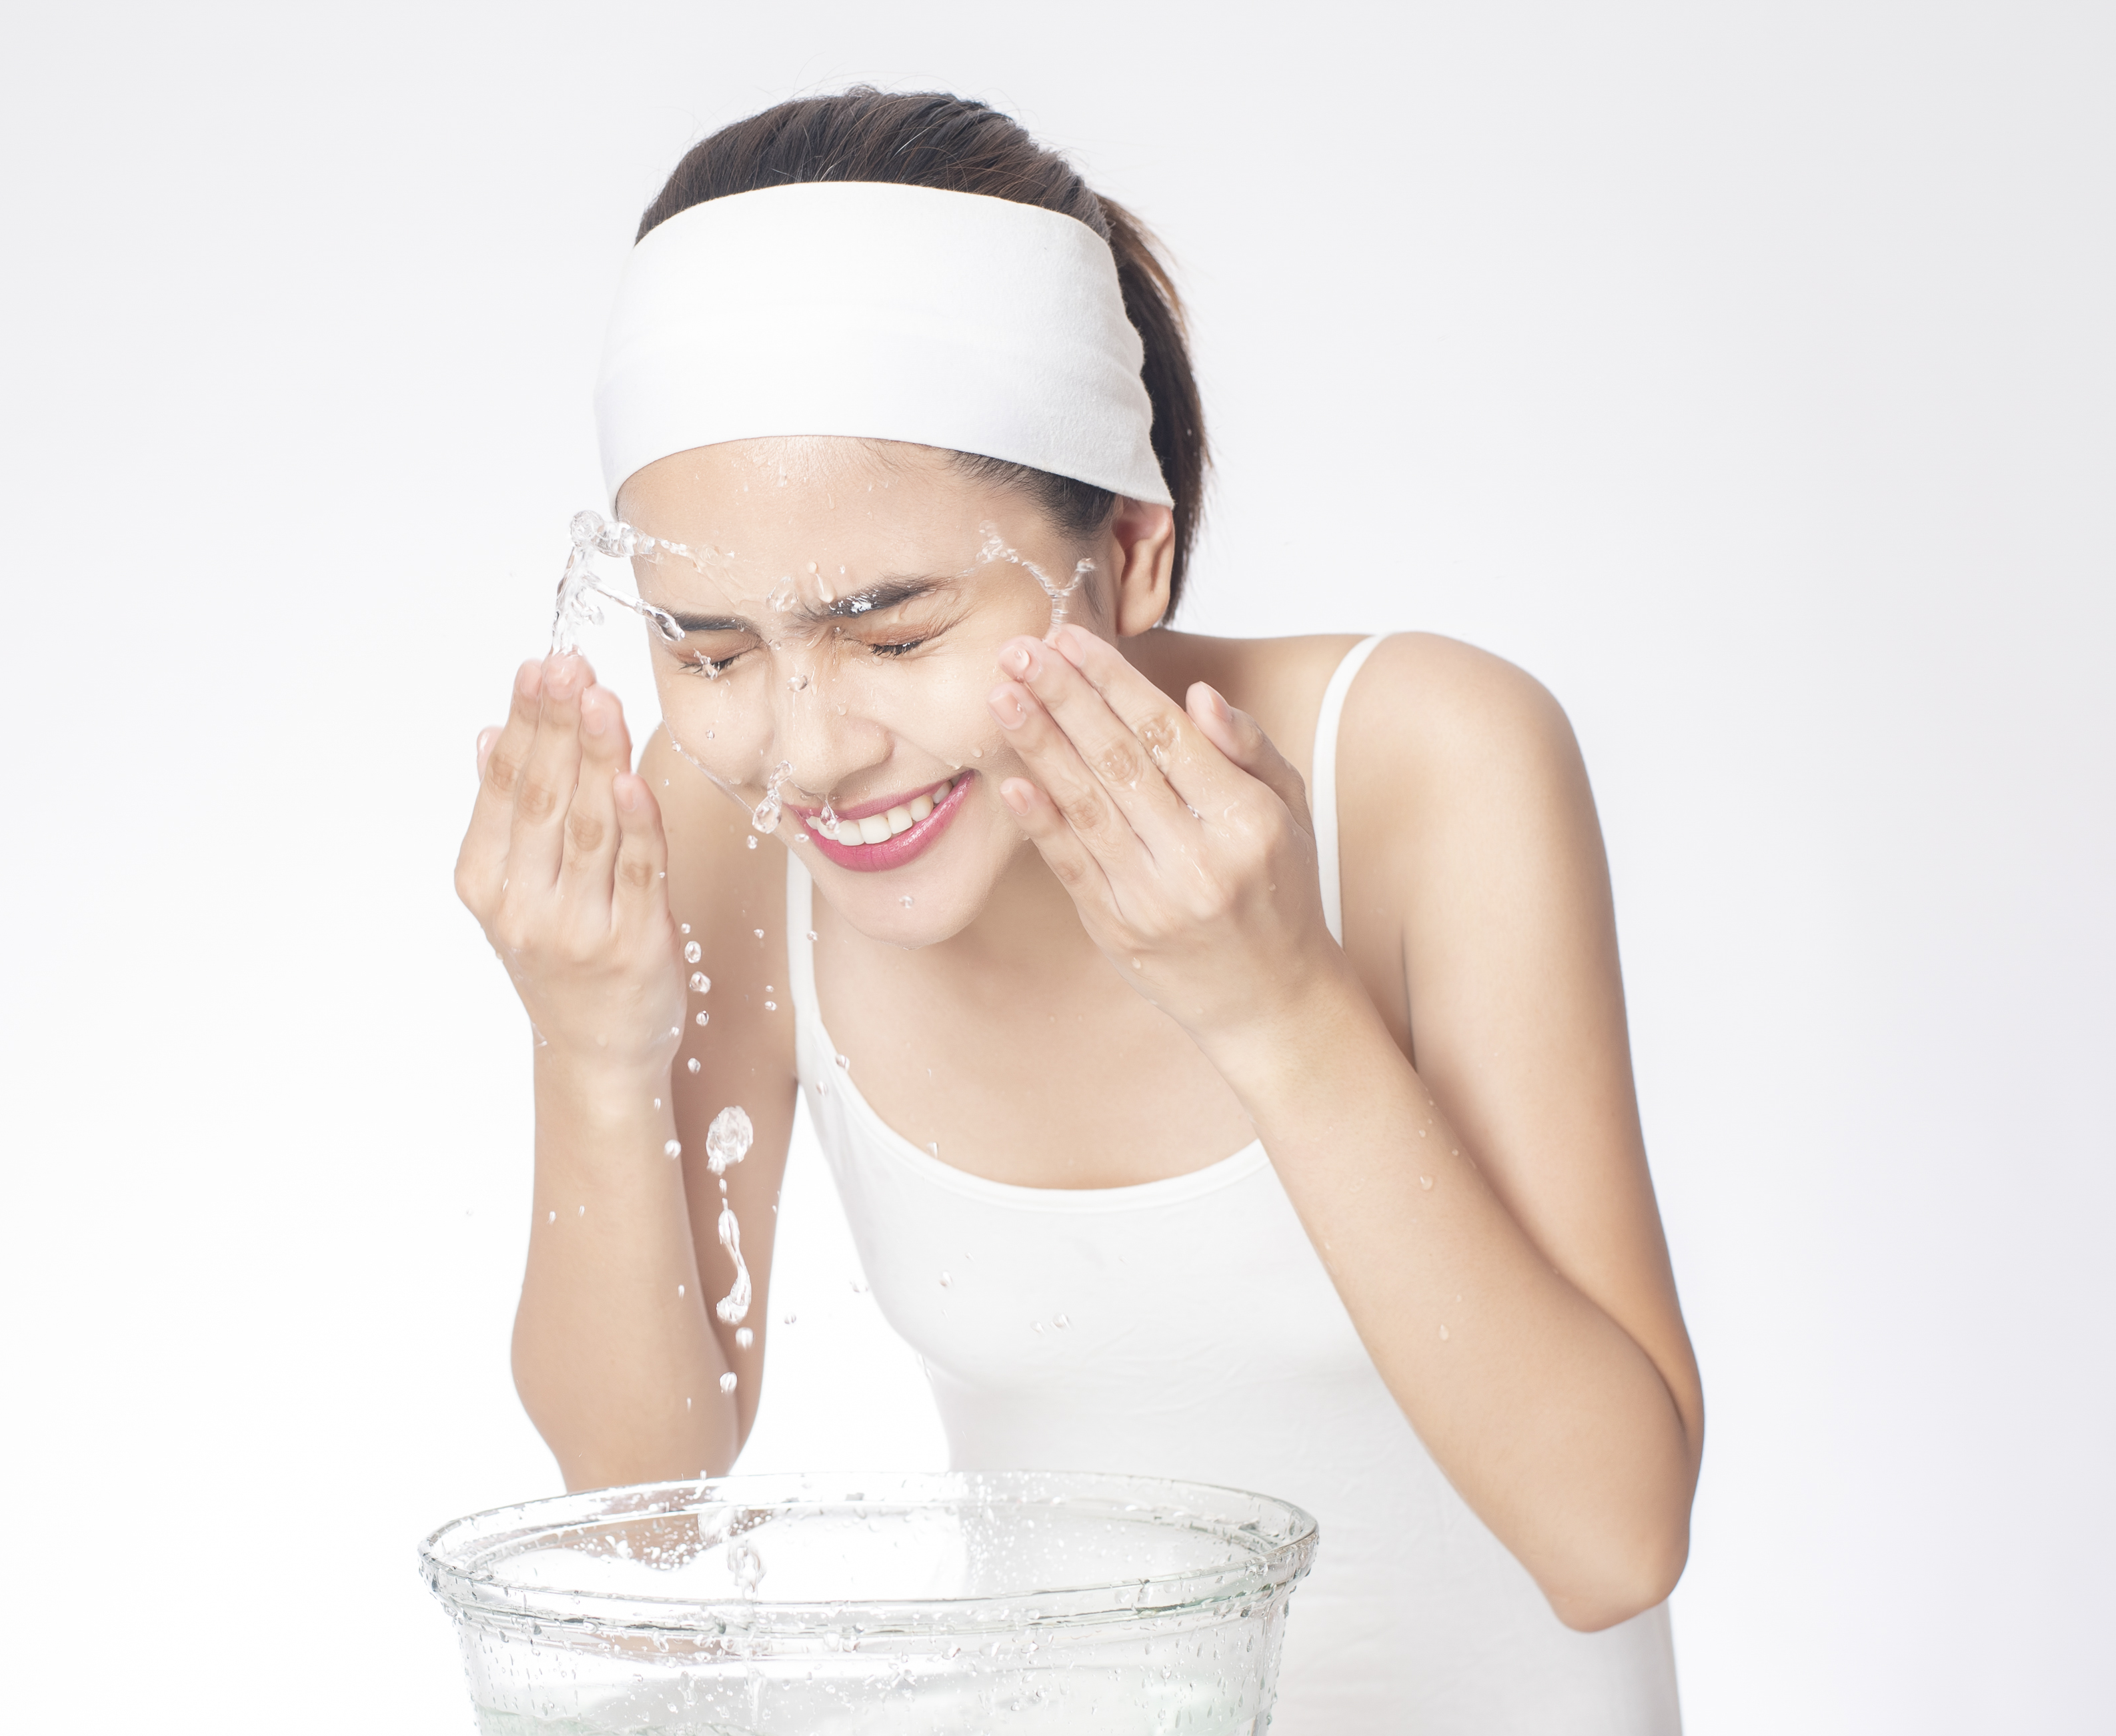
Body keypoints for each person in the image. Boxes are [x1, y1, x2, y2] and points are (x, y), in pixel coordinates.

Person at [455, 89, 1699, 1733]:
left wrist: (1276, 1007)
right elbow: (643, 1514)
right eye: (708, 647)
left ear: (1130, 550)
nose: (804, 748)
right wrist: (589, 1053)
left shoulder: (1421, 762)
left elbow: (1612, 1542)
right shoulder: (724, 827)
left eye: (894, 634)